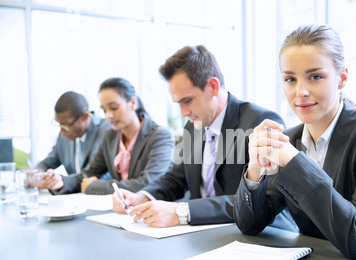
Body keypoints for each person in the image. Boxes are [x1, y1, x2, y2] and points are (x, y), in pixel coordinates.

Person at [233, 24, 356, 260]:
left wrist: (293, 162)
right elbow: (249, 224)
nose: (300, 91)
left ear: (342, 77)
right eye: (290, 79)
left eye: (315, 77)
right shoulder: (291, 139)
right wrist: (255, 170)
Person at [112, 45, 285, 228]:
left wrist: (183, 212)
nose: (183, 112)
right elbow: (175, 179)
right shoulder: (193, 126)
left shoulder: (260, 123)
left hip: (253, 236)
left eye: (187, 101)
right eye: (178, 103)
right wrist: (142, 197)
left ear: (213, 86)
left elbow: (260, 200)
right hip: (200, 235)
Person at [47, 77, 173, 195]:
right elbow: (89, 174)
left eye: (114, 108)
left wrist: (95, 186)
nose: (108, 116)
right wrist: (62, 182)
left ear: (133, 103)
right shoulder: (110, 136)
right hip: (120, 210)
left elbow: (148, 183)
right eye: (104, 110)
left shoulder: (160, 136)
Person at [38, 91, 111, 190]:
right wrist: (39, 175)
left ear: (84, 116)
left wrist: (62, 181)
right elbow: (48, 162)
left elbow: (101, 175)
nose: (62, 130)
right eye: (59, 124)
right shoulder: (65, 134)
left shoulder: (107, 131)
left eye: (66, 125)